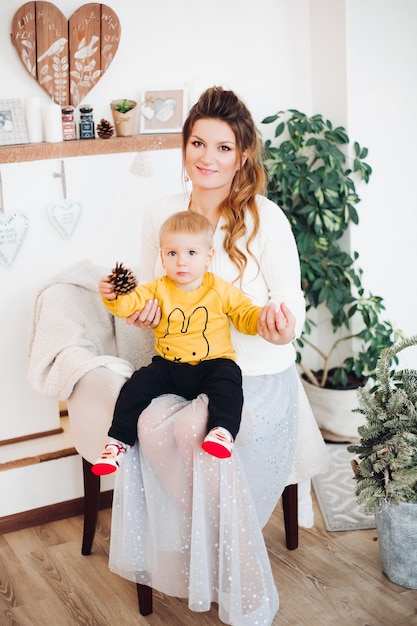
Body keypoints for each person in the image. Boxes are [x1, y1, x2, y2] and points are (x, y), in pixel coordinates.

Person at [108, 86, 328, 625]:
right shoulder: (160, 212)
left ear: (243, 154)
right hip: (183, 370)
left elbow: (287, 306)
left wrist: (279, 328)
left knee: (196, 435)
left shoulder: (264, 218)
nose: (207, 158)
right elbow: (153, 291)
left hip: (250, 375)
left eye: (223, 147)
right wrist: (143, 313)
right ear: (184, 147)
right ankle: (228, 546)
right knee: (151, 423)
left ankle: (245, 587)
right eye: (198, 143)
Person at [92, 210, 277, 475]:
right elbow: (129, 305)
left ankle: (222, 431)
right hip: (169, 365)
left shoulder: (219, 289)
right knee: (136, 384)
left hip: (213, 364)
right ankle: (118, 442)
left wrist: (262, 318)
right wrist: (114, 296)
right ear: (162, 257)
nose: (181, 262)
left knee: (229, 380)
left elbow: (244, 314)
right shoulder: (156, 288)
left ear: (208, 258)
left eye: (191, 253)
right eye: (172, 254)